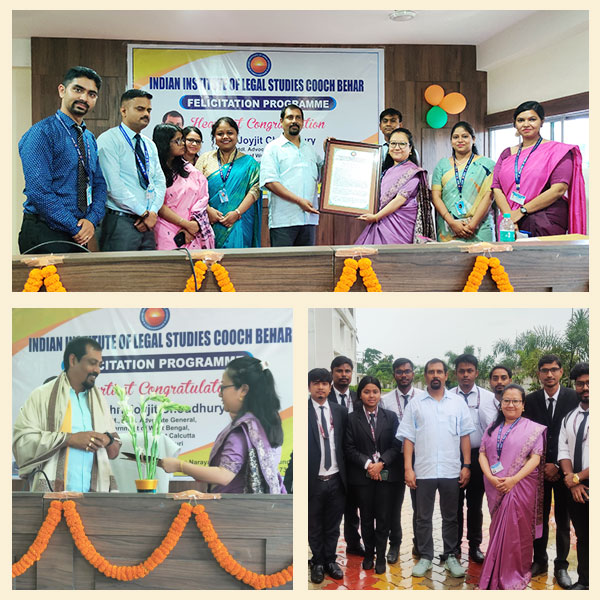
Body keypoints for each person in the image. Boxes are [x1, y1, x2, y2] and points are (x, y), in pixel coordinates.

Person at [396, 358, 474, 579]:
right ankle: (426, 557)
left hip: (451, 470)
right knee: (423, 517)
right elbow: (408, 439)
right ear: (426, 376)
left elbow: (465, 435)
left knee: (451, 516)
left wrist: (466, 465)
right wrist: (408, 469)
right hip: (424, 470)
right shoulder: (416, 404)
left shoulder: (457, 403)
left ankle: (450, 555)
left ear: (446, 375)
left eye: (439, 371)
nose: (435, 375)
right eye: (431, 372)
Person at [161, 357, 286, 494]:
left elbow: (224, 475)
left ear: (243, 390)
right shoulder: (261, 423)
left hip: (236, 510)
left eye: (223, 387)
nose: (220, 393)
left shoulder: (243, 429)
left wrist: (180, 466)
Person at [12, 337, 121, 492]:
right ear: (73, 360)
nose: (98, 370)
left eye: (100, 364)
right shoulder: (42, 396)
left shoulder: (99, 400)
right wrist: (69, 439)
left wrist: (108, 440)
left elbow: (114, 449)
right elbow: (22, 442)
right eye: (92, 363)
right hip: (52, 498)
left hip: (95, 499)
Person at [18, 66, 107, 254]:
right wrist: (74, 227)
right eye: (78, 89)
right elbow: (38, 191)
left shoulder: (89, 138)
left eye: (91, 94)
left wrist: (91, 220)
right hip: (45, 231)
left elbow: (99, 183)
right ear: (62, 90)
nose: (84, 97)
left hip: (79, 233)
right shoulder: (41, 133)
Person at [478, 384, 547, 589]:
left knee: (517, 531)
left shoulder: (533, 428)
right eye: (506, 400)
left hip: (520, 487)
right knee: (498, 529)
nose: (510, 404)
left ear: (523, 405)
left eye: (516, 401)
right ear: (501, 404)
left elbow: (536, 458)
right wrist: (490, 477)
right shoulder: (492, 428)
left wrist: (513, 480)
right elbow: (482, 452)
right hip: (495, 487)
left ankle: (514, 572)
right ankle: (494, 569)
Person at [491, 100, 587, 236]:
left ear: (542, 121)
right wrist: (509, 217)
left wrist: (521, 211)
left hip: (545, 220)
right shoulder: (507, 153)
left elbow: (558, 189)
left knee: (542, 257)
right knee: (509, 256)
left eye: (532, 119)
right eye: (520, 120)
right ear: (515, 124)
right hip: (510, 222)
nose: (526, 124)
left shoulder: (558, 151)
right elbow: (496, 187)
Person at [523, 354, 578, 588]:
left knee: (563, 521)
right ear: (538, 374)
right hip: (538, 472)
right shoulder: (530, 400)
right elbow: (525, 436)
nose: (549, 374)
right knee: (539, 519)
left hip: (565, 470)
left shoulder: (574, 398)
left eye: (554, 370)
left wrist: (556, 464)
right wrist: (542, 464)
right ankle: (540, 560)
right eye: (544, 370)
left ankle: (562, 565)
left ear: (561, 372)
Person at [344, 376, 401, 575]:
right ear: (360, 394)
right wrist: (369, 465)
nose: (371, 395)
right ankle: (369, 554)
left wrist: (381, 463)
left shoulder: (391, 417)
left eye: (375, 391)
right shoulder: (351, 419)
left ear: (380, 394)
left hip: (386, 477)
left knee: (384, 518)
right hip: (362, 478)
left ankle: (381, 557)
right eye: (367, 391)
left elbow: (396, 445)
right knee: (366, 518)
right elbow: (349, 448)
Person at [97, 89, 166, 251]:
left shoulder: (149, 144)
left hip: (148, 222)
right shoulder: (109, 140)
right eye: (140, 109)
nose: (146, 114)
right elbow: (113, 186)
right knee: (120, 274)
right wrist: (144, 213)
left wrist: (153, 212)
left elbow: (159, 182)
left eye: (148, 110)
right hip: (120, 221)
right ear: (123, 111)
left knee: (147, 273)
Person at [449, 354, 497, 563]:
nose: (466, 375)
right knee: (454, 504)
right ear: (455, 373)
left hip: (480, 456)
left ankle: (475, 546)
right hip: (454, 456)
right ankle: (455, 546)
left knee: (475, 505)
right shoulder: (448, 396)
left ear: (477, 373)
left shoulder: (489, 398)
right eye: (462, 371)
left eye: (470, 371)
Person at [380, 358, 427, 563]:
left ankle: (420, 543)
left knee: (420, 506)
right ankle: (395, 544)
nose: (404, 375)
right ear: (394, 375)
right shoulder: (385, 400)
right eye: (399, 372)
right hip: (394, 458)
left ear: (413, 373)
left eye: (407, 371)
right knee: (393, 505)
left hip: (420, 458)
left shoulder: (424, 398)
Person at [355, 127, 434, 245]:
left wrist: (376, 217)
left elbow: (399, 200)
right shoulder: (385, 171)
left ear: (410, 149)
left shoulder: (413, 172)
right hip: (381, 224)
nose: (397, 148)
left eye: (402, 144)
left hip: (400, 228)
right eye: (393, 143)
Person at [260, 103, 323, 247]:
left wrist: (331, 152)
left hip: (309, 220)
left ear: (302, 122)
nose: (294, 121)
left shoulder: (310, 150)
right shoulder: (273, 148)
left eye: (298, 118)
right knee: (283, 266)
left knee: (307, 266)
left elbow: (323, 175)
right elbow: (270, 182)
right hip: (283, 220)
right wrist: (299, 201)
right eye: (290, 117)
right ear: (281, 122)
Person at [196, 117, 261, 248]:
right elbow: (195, 189)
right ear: (214, 137)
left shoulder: (250, 163)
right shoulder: (205, 159)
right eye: (220, 134)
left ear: (237, 135)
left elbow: (255, 189)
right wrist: (208, 210)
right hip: (211, 222)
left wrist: (237, 213)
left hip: (239, 222)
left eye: (230, 133)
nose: (225, 137)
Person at [308, 368, 347, 584]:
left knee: (333, 525)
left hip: (336, 479)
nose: (321, 387)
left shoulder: (339, 411)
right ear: (309, 387)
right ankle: (318, 561)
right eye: (316, 383)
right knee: (314, 525)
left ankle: (331, 560)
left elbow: (344, 445)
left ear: (330, 387)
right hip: (313, 481)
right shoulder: (302, 412)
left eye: (324, 383)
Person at [152, 123, 215, 250]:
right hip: (164, 230)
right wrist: (185, 224)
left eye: (182, 139)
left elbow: (202, 198)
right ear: (165, 143)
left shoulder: (189, 169)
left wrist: (194, 225)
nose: (183, 144)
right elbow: (157, 203)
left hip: (193, 231)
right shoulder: (154, 170)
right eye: (178, 141)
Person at [431, 121, 495, 242]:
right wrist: (452, 223)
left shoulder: (487, 165)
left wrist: (473, 224)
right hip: (448, 227)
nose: (460, 140)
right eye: (455, 137)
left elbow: (489, 196)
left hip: (480, 226)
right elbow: (435, 197)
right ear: (451, 141)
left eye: (465, 136)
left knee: (483, 260)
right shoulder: (442, 165)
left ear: (473, 139)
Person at [326, 356, 363, 557]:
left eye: (347, 371)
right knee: (331, 509)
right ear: (332, 373)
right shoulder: (323, 396)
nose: (343, 375)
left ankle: (354, 544)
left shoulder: (359, 397)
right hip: (331, 461)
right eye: (339, 371)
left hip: (355, 461)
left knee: (353, 507)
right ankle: (325, 551)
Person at [558, 362, 589, 590]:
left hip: (585, 481)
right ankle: (585, 581)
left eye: (590, 383)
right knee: (584, 536)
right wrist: (571, 479)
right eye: (580, 383)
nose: (585, 387)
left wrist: (577, 478)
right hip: (576, 487)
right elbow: (564, 450)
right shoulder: (570, 417)